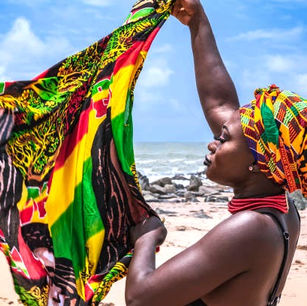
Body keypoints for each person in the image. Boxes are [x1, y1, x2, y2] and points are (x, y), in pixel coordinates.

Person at [125, 0, 304, 305]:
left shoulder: (251, 228)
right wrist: (197, 21)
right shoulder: (282, 206)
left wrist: (146, 235)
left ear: (258, 164)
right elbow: (219, 105)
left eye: (223, 139)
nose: (212, 143)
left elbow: (141, 298)